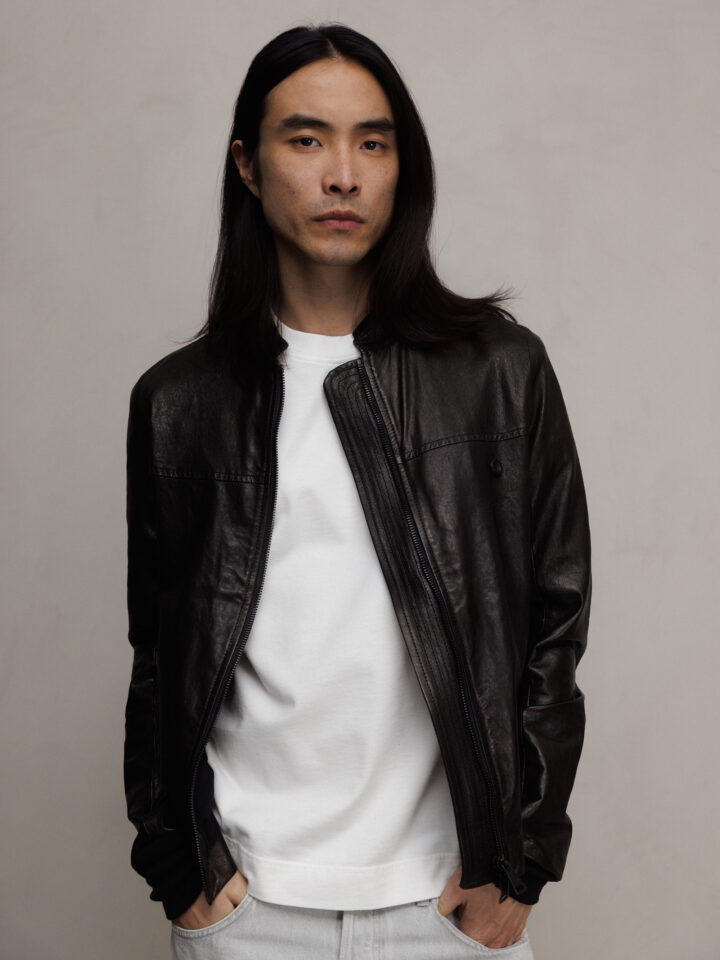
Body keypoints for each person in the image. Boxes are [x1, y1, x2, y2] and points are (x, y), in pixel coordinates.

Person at [123, 21, 592, 959]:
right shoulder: (179, 404)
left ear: (400, 168)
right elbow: (160, 656)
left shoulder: (501, 375)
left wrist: (522, 862)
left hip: (449, 908)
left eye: (372, 144)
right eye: (307, 140)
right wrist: (179, 868)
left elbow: (556, 624)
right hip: (247, 910)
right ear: (248, 165)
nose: (343, 176)